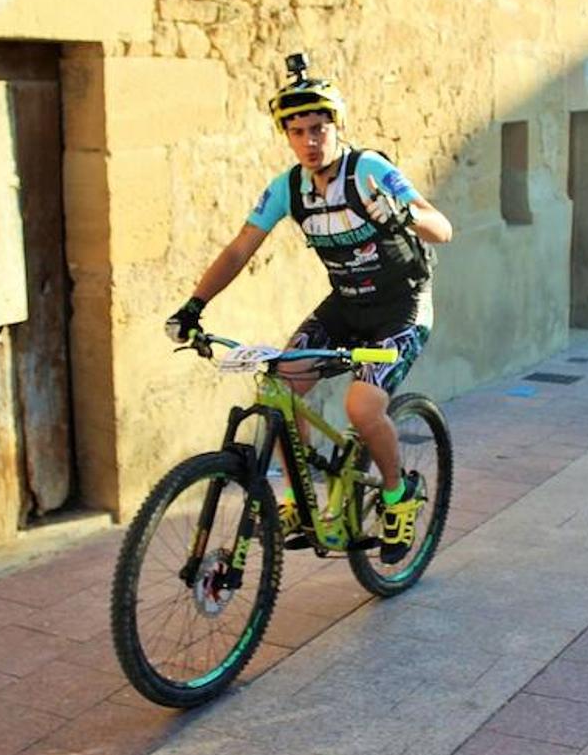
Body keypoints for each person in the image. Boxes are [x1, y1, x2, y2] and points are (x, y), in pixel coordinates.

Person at [165, 54, 454, 563]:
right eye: (297, 132)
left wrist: (403, 213)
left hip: (400, 307)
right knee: (278, 383)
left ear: (334, 126)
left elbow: (442, 228)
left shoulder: (368, 171)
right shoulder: (289, 187)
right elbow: (239, 249)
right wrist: (194, 305)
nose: (309, 141)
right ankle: (299, 500)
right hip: (345, 305)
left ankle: (396, 495)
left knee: (361, 407)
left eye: (318, 128)